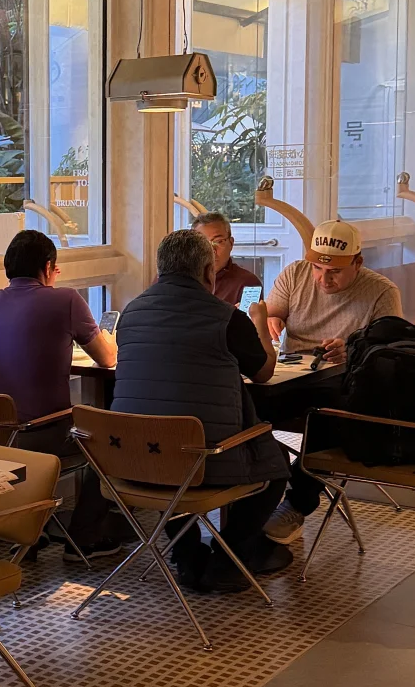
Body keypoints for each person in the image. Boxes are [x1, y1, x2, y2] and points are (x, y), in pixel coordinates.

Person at [68, 228, 290, 592]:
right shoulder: (226, 318)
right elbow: (263, 372)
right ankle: (227, 559)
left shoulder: (131, 313)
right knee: (276, 464)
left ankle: (186, 555)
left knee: (164, 448)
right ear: (208, 272)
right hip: (203, 461)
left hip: (130, 460)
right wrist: (260, 323)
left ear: (160, 270)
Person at [253, 219, 403, 544]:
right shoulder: (295, 273)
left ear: (358, 263)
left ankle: (298, 502)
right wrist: (273, 320)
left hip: (343, 382)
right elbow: (273, 311)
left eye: (334, 271)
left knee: (328, 413)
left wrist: (353, 350)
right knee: (243, 401)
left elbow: (389, 355)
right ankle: (251, 493)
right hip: (292, 377)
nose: (323, 279)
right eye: (318, 269)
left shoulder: (382, 292)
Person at [0, 230, 115, 455]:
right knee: (108, 431)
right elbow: (107, 359)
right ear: (49, 266)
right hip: (40, 433)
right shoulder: (67, 299)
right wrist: (110, 340)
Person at [190, 211, 261, 306]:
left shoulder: (248, 283)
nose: (211, 250)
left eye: (218, 241)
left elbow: (249, 315)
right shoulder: (183, 279)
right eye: (203, 243)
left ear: (231, 243)